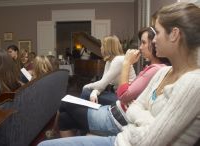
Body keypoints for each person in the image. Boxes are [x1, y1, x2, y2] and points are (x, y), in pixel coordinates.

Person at [38, 2, 200, 146]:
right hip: (122, 136)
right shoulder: (163, 72)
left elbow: (147, 138)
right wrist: (148, 122)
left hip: (123, 136)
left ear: (175, 34)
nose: (154, 40)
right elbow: (133, 108)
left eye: (157, 33)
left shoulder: (193, 83)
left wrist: (140, 118)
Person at [57, 26, 170, 138]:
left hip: (119, 114)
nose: (140, 47)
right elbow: (105, 83)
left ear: (154, 44)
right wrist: (95, 91)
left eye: (144, 43)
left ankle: (82, 126)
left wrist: (126, 63)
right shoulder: (149, 67)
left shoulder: (154, 69)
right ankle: (81, 128)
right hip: (118, 108)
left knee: (67, 102)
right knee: (64, 117)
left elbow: (123, 95)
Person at [81, 35, 136, 105]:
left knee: (86, 92)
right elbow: (103, 83)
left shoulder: (119, 60)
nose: (101, 48)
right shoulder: (109, 62)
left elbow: (101, 84)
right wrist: (94, 93)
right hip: (117, 94)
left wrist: (86, 86)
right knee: (88, 93)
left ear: (107, 48)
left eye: (102, 46)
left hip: (126, 100)